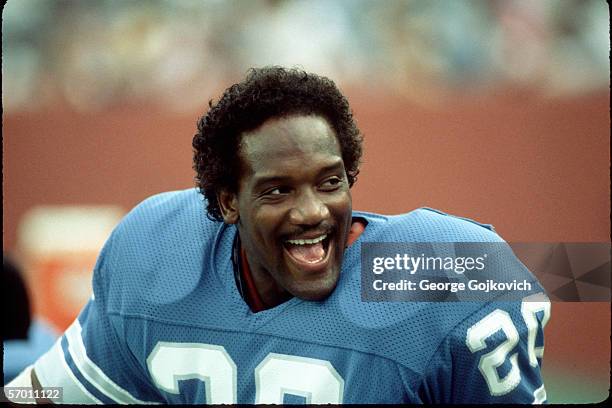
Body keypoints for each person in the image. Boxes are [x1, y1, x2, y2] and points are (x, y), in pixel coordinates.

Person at [7, 67, 550, 404]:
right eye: (276, 191)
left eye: (329, 183)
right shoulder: (164, 257)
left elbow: (577, 273)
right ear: (227, 203)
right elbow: (49, 393)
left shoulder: (419, 267)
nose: (312, 212)